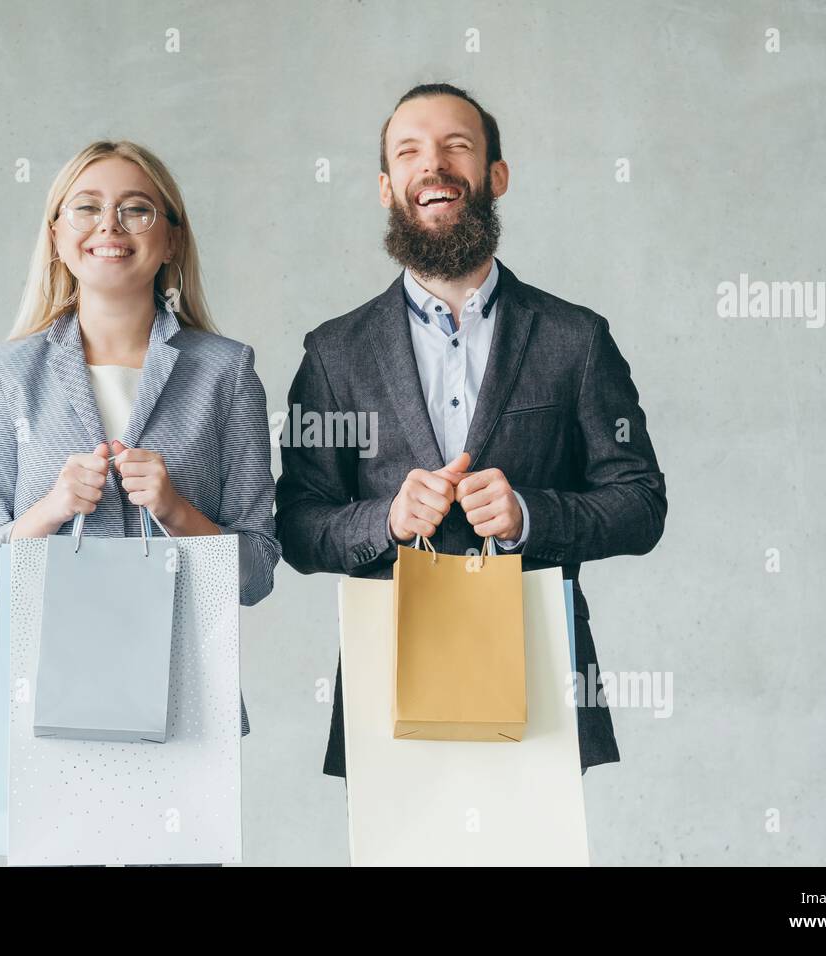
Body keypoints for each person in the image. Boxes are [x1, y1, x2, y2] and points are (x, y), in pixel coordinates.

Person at [275, 83, 667, 783]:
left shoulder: (576, 340)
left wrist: (529, 516)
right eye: (411, 151)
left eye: (458, 146)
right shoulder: (334, 354)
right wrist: (386, 519)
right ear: (386, 186)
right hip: (388, 682)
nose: (435, 165)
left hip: (541, 682)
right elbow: (298, 526)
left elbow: (641, 504)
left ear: (496, 176)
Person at [0, 138, 280, 761]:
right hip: (47, 701)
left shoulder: (225, 371)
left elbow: (257, 572)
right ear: (55, 236)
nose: (109, 224)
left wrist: (177, 512)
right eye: (86, 208)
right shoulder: (11, 373)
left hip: (186, 704)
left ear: (171, 240)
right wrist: (48, 511)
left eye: (136, 209)